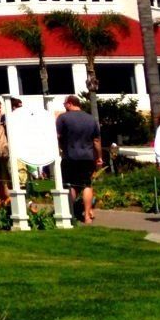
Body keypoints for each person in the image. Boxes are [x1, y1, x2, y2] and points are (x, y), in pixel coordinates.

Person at [56, 95, 102, 224]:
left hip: (70, 156)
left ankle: (71, 214)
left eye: (65, 104)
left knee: (71, 185)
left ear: (70, 103)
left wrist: (60, 148)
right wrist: (99, 157)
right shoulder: (91, 119)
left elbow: (57, 136)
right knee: (87, 185)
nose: (64, 106)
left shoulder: (63, 118)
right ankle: (87, 216)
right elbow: (96, 140)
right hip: (87, 157)